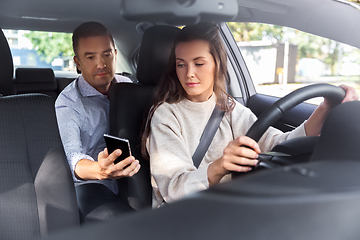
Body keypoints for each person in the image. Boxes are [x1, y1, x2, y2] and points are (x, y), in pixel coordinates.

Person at [141, 22, 358, 208]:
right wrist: (219, 166)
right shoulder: (165, 115)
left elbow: (278, 145)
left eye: (199, 63)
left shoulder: (229, 108)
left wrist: (324, 109)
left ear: (217, 64)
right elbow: (173, 188)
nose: (189, 73)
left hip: (230, 205)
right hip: (182, 215)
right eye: (181, 64)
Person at [55, 21, 140, 222]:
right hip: (91, 184)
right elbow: (72, 158)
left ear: (116, 54)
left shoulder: (129, 88)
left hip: (134, 177)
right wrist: (99, 170)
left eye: (107, 54)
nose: (101, 64)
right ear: (77, 62)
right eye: (90, 57)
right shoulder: (68, 103)